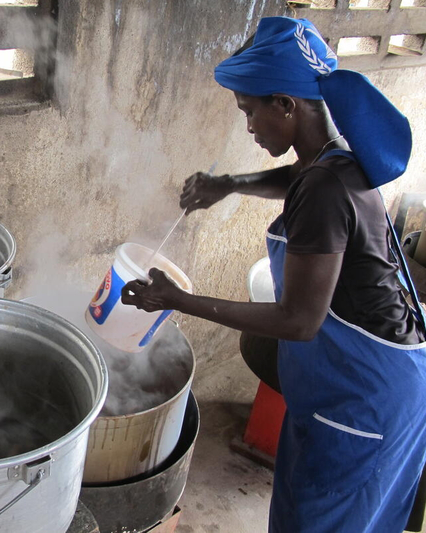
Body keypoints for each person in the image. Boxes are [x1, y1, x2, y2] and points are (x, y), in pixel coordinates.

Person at [121, 16, 426, 533]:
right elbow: (296, 177)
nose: (248, 126)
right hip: (350, 387)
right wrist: (228, 183)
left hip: (365, 399)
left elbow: (300, 320)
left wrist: (175, 300)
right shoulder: (332, 160)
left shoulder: (327, 191)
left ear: (286, 104)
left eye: (250, 111)